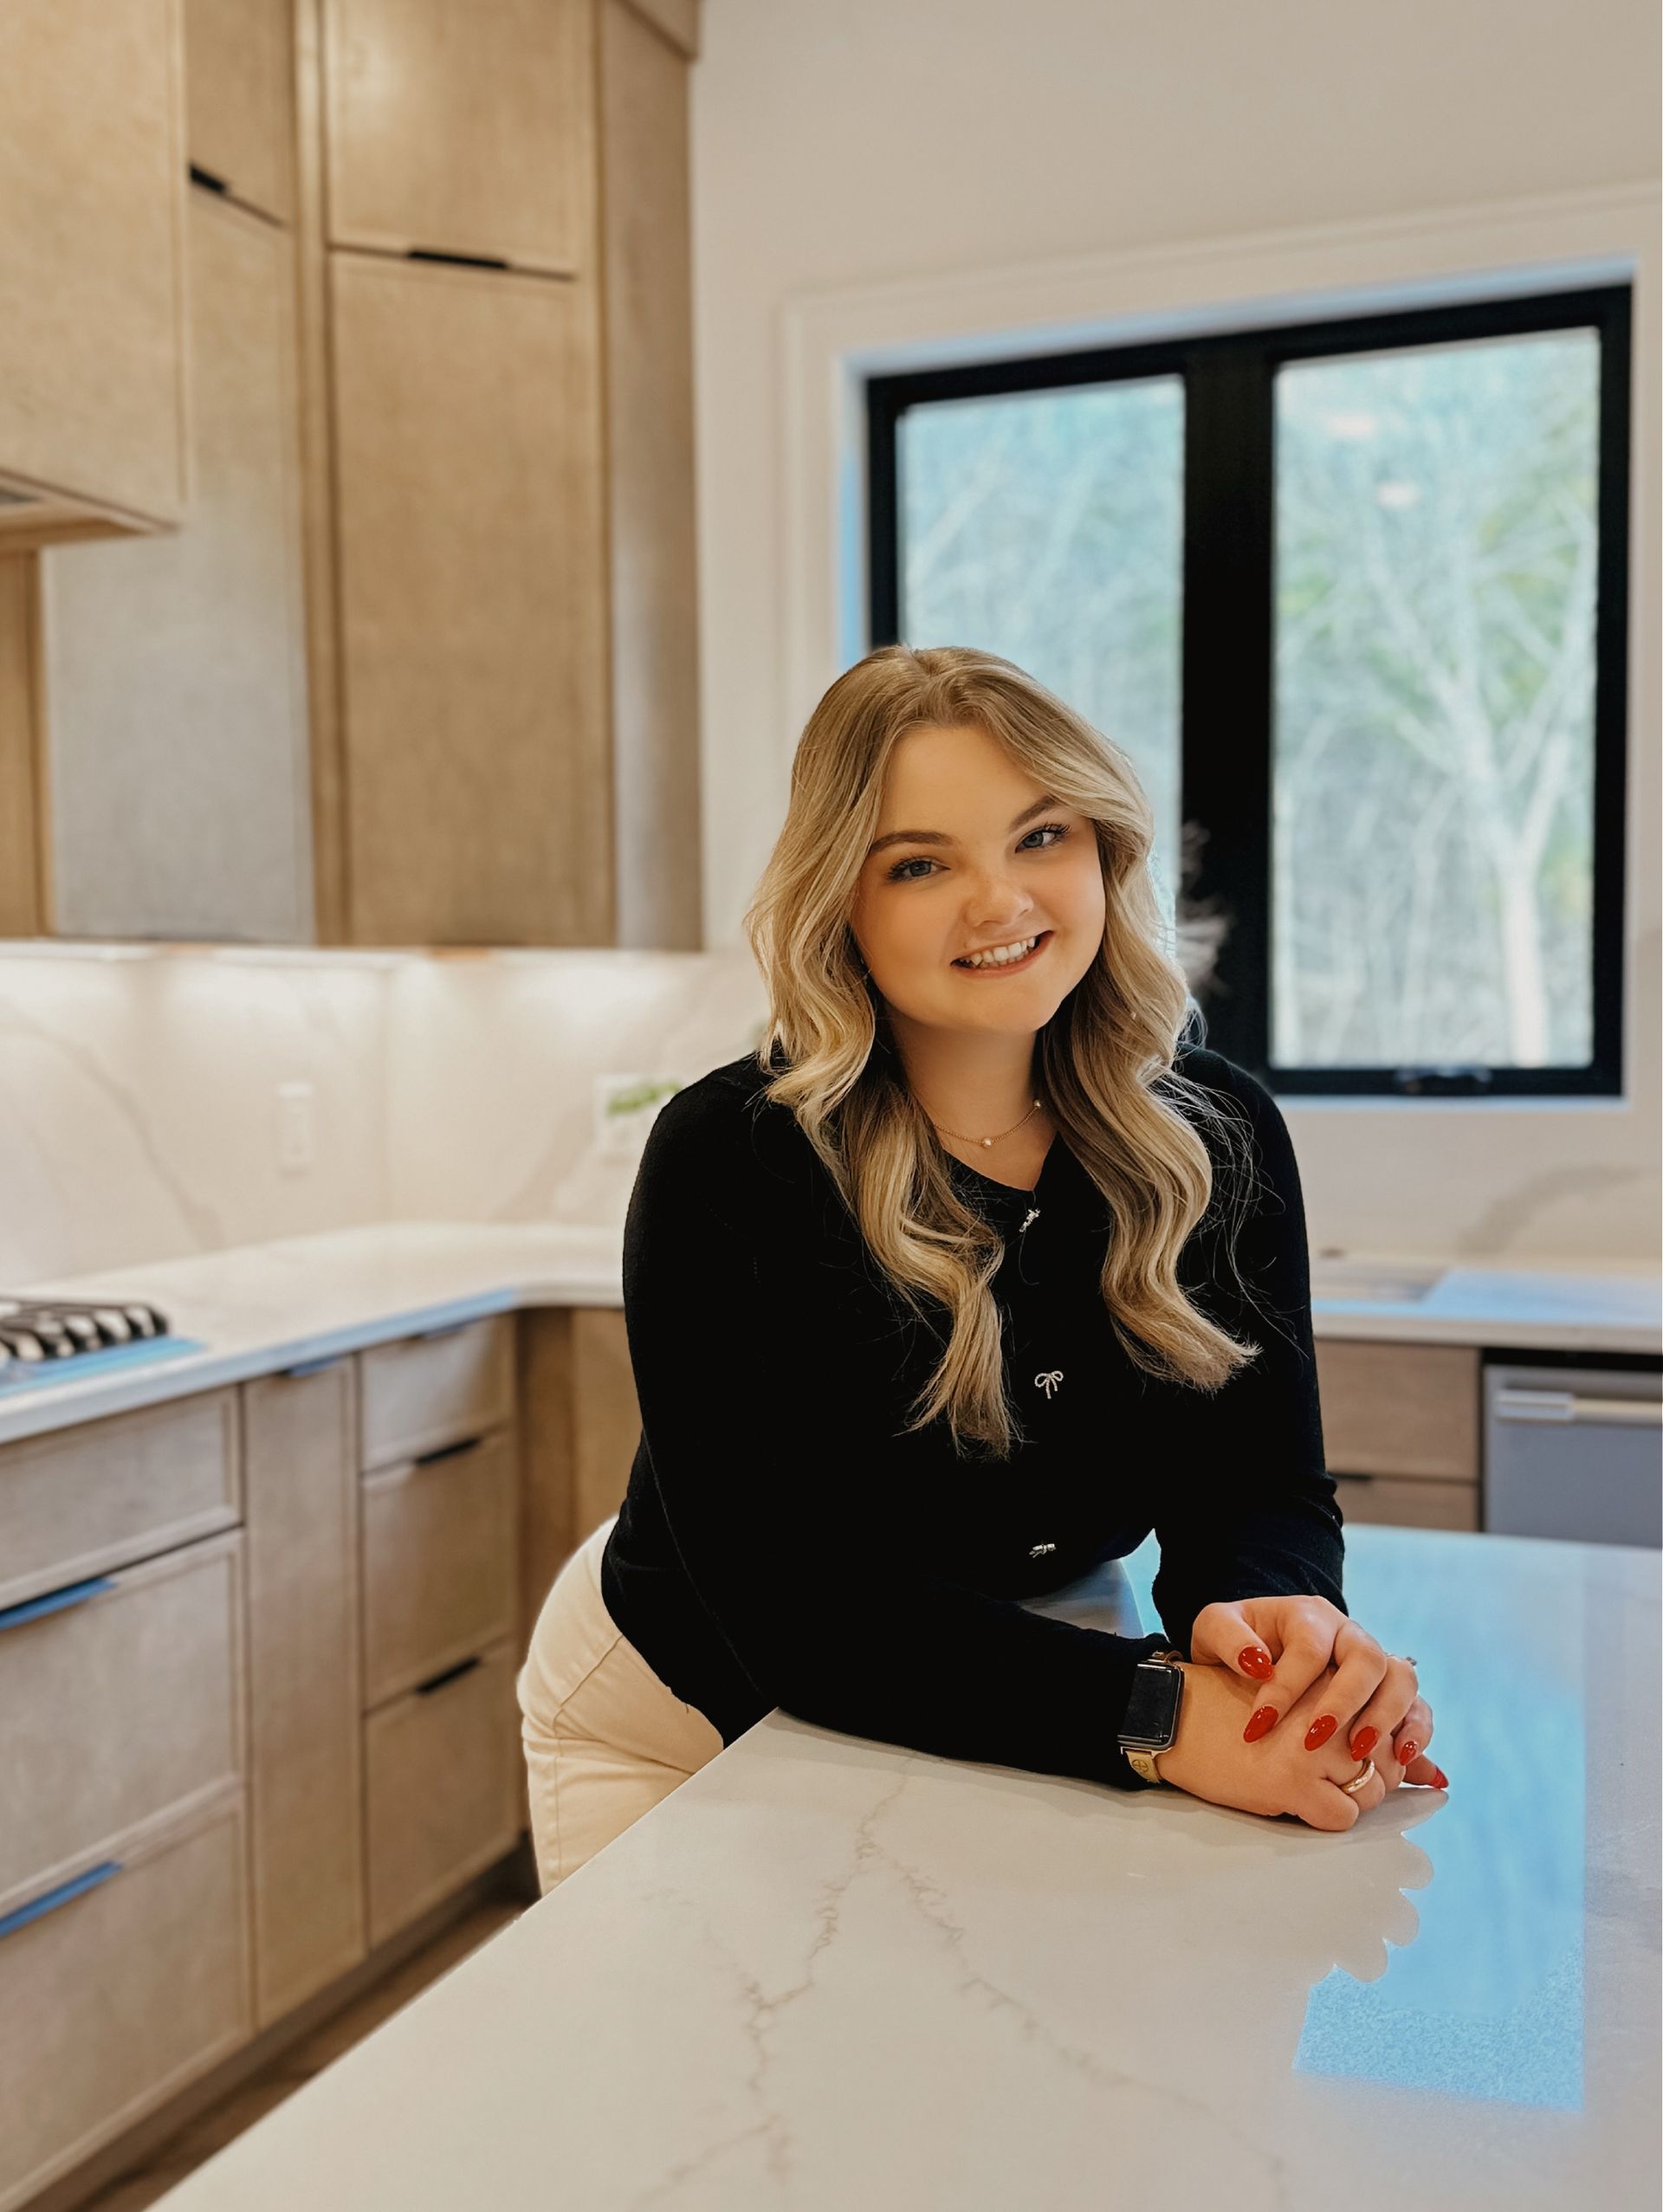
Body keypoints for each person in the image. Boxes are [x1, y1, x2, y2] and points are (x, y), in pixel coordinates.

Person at [517, 644, 1446, 1894]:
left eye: (1041, 836)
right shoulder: (733, 1157)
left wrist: (1269, 1625)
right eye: (920, 863)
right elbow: (802, 1612)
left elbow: (1260, 1487)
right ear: (842, 899)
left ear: (1103, 853)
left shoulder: (1214, 1139)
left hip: (1020, 1664)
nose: (1001, 901)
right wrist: (1159, 1715)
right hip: (687, 1699)